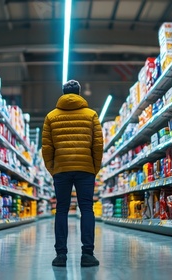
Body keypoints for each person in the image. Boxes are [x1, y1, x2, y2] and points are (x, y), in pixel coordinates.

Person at [42, 80, 103, 267]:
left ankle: (61, 256)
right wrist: (94, 167)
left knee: (61, 209)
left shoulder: (51, 117)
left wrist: (53, 168)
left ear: (63, 93)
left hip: (61, 169)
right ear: (79, 93)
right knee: (86, 209)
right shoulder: (91, 115)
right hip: (86, 170)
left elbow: (46, 148)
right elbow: (98, 146)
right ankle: (87, 255)